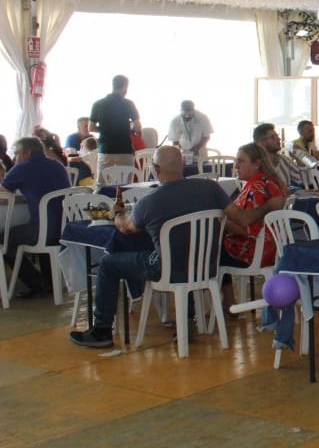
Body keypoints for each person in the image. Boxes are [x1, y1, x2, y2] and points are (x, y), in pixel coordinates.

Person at [68, 146, 272, 348]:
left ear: (156, 169)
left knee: (108, 264)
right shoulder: (210, 188)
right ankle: (187, 320)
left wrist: (117, 214)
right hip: (206, 265)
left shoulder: (149, 202)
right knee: (187, 251)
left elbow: (126, 228)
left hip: (166, 268)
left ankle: (102, 330)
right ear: (182, 164)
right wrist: (270, 206)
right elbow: (244, 219)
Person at [0, 137, 71, 297]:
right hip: (64, 228)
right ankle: (49, 282)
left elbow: (3, 195)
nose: (15, 158)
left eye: (16, 153)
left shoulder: (22, 168)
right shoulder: (56, 165)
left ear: (27, 153)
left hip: (40, 231)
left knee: (3, 238)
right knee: (38, 227)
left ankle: (37, 283)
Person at [220, 143, 287, 311]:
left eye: (241, 161)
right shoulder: (269, 182)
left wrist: (222, 225)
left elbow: (246, 230)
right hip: (273, 249)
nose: (236, 166)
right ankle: (227, 301)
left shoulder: (256, 188)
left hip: (255, 252)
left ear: (257, 164)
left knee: (209, 251)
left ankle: (225, 301)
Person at [89, 74, 141, 169]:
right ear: (125, 86)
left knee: (103, 182)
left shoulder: (98, 104)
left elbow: (91, 127)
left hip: (106, 149)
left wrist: (105, 129)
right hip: (125, 150)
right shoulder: (128, 104)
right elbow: (138, 127)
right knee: (125, 182)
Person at [252, 123, 307, 189]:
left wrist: (299, 161)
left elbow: (304, 182)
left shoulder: (283, 159)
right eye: (273, 137)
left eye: (277, 136)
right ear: (261, 143)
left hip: (286, 198)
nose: (279, 139)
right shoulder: (255, 165)